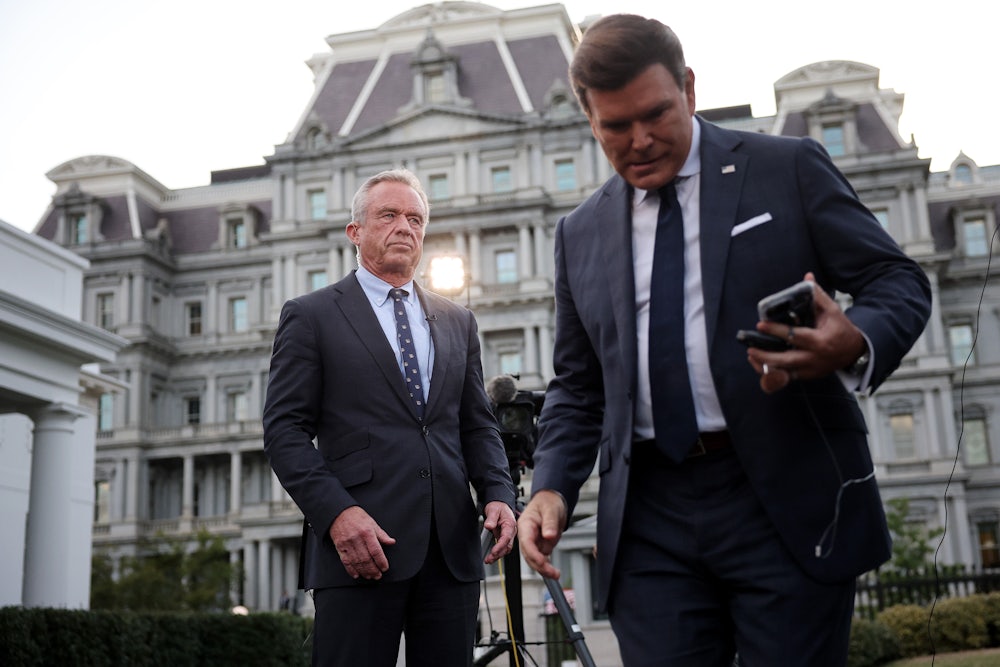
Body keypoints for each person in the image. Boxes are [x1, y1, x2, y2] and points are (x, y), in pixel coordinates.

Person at [517, 14, 931, 667]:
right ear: (588, 119)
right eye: (615, 126)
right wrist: (550, 486)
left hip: (783, 494)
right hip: (649, 514)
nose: (641, 139)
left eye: (656, 113)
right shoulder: (579, 232)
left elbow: (897, 280)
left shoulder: (786, 168)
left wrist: (852, 340)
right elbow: (578, 384)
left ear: (687, 86)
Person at [263, 168, 518, 667]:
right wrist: (336, 514)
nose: (405, 226)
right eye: (389, 215)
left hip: (451, 552)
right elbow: (284, 431)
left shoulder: (458, 320)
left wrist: (498, 493)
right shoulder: (311, 314)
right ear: (355, 232)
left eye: (416, 218)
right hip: (360, 548)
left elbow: (477, 424)